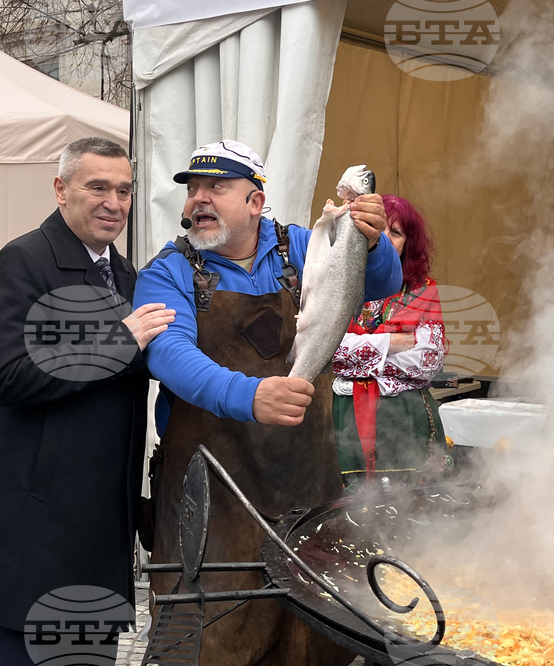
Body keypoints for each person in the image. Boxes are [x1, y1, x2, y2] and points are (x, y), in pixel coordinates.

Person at [133, 140, 402, 666]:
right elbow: (167, 354)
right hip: (209, 501)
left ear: (256, 201)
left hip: (307, 491)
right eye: (193, 190)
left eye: (217, 187)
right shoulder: (167, 271)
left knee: (311, 640)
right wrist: (250, 395)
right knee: (206, 642)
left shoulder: (302, 246)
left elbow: (381, 282)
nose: (198, 200)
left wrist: (372, 242)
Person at [0, 137, 174, 664]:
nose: (114, 202)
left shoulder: (128, 275)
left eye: (125, 190)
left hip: (102, 526)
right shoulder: (23, 261)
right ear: (61, 189)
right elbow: (9, 375)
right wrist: (117, 343)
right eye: (98, 187)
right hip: (38, 525)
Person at [331, 194, 450, 492]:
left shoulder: (422, 291)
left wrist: (358, 348)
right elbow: (326, 352)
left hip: (407, 421)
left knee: (414, 512)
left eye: (395, 233)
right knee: (350, 516)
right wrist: (392, 343)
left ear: (408, 244)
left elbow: (426, 362)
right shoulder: (336, 285)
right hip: (345, 422)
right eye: (377, 227)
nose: (383, 238)